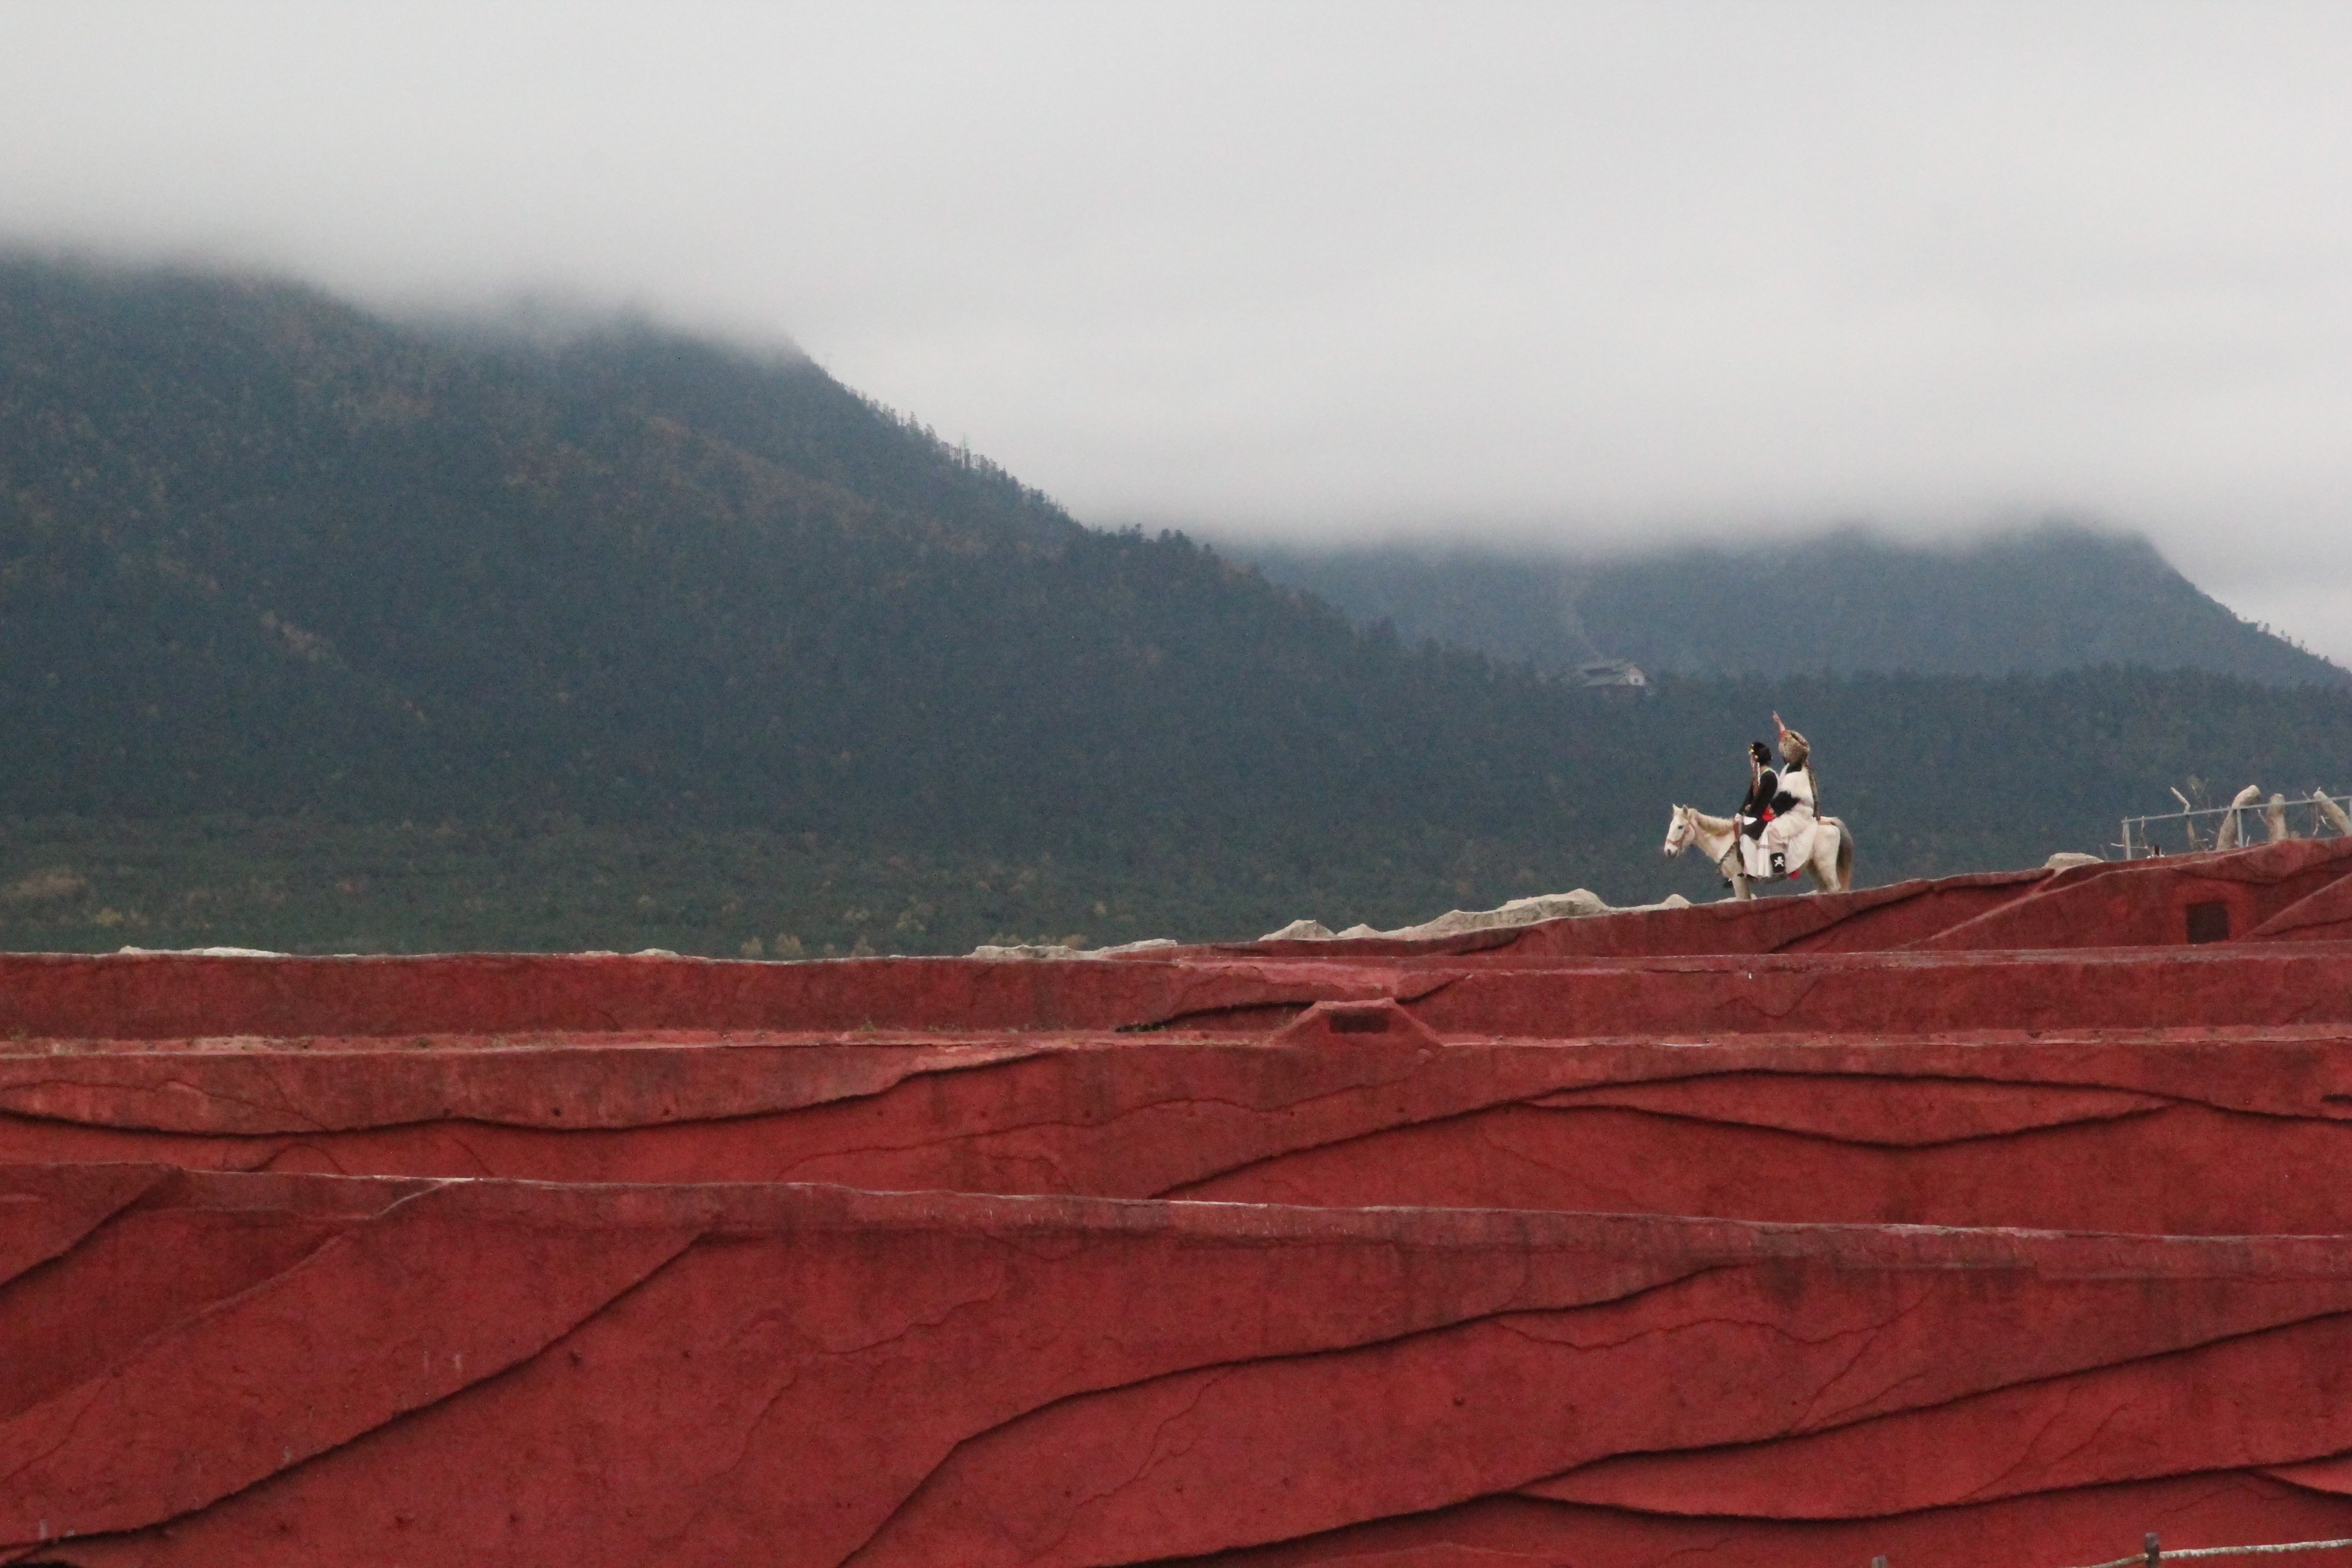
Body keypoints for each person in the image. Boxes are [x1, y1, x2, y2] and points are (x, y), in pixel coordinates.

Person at [1761, 712, 1818, 878]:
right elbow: (1787, 739)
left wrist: (1766, 812)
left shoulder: (1796, 776)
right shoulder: (1797, 764)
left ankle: (1781, 867)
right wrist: (1779, 724)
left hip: (1799, 813)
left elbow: (1784, 802)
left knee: (1774, 831)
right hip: (1793, 809)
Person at [1735, 741, 1778, 881]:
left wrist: (1749, 814)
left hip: (1767, 815)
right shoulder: (1758, 777)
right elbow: (1750, 797)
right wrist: (1740, 813)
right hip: (1757, 813)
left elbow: (1761, 800)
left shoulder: (1769, 776)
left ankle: (1753, 871)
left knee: (1746, 835)